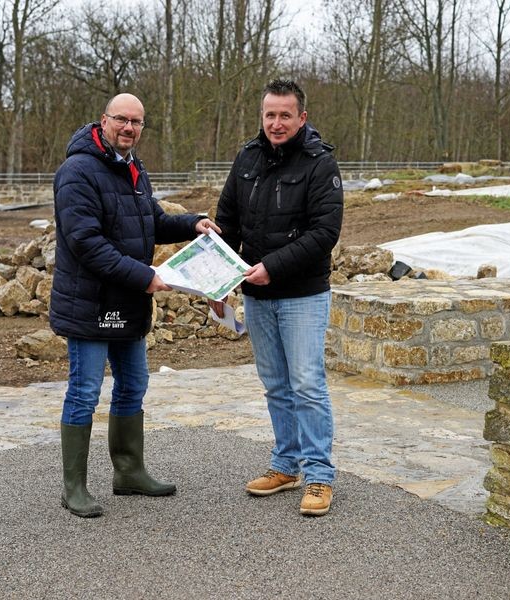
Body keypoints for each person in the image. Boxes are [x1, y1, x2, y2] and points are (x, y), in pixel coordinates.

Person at [50, 93, 220, 518]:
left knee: (133, 386)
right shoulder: (77, 172)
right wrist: (145, 276)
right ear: (103, 120)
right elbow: (86, 243)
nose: (129, 128)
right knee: (85, 392)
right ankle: (75, 487)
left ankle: (129, 472)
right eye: (122, 120)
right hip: (90, 305)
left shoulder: (133, 167)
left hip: (128, 302)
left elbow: (151, 221)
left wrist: (192, 223)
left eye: (137, 123)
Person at [212, 79, 343, 516]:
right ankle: (286, 465)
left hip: (302, 294)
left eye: (285, 114)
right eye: (270, 114)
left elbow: (324, 233)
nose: (276, 122)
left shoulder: (320, 164)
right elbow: (226, 224)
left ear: (302, 117)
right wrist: (215, 282)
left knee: (307, 384)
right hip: (257, 294)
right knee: (276, 386)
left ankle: (320, 475)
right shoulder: (247, 157)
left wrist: (274, 266)